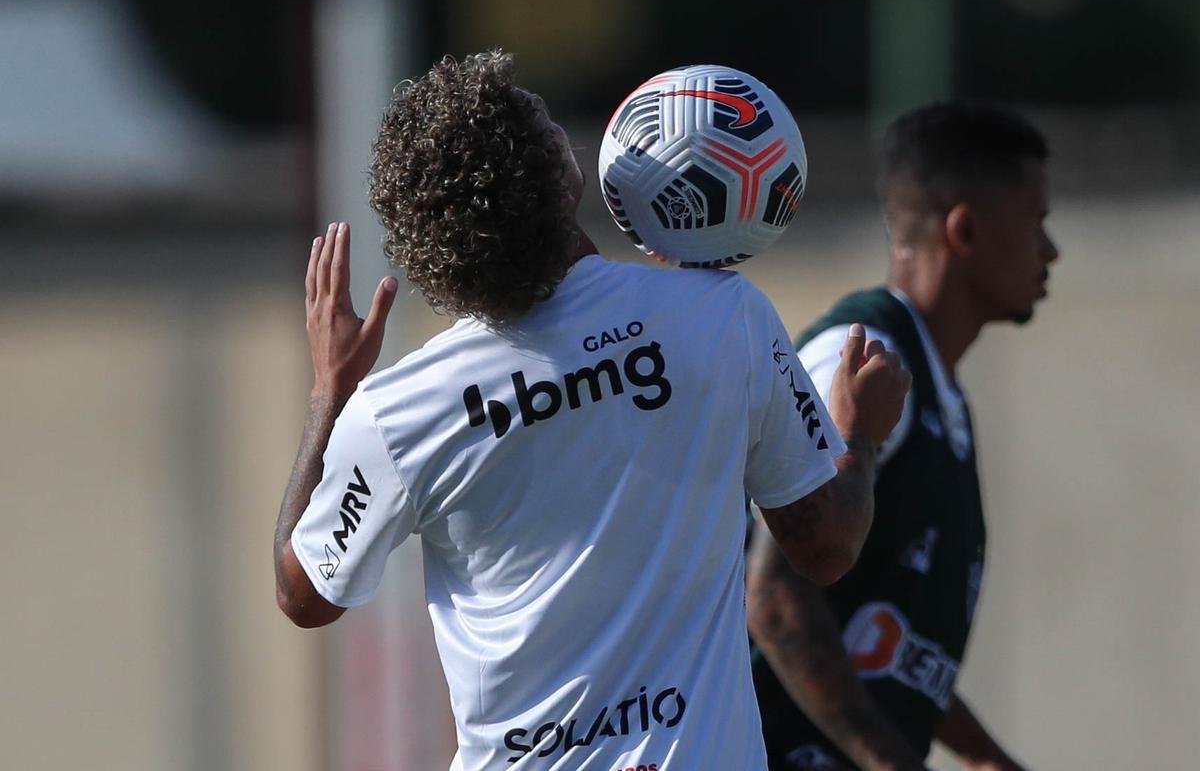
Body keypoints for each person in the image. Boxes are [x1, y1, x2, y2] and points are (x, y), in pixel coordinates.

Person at [271, 51, 910, 770]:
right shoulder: (723, 319)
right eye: (542, 122)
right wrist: (860, 429)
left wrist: (332, 388)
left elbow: (303, 592)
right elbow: (826, 547)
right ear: (554, 174)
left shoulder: (396, 410)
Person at [746, 102, 1060, 771]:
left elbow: (882, 644)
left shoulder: (937, 392)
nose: (1051, 249)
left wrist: (980, 752)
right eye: (1036, 221)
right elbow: (773, 596)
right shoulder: (858, 359)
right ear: (965, 230)